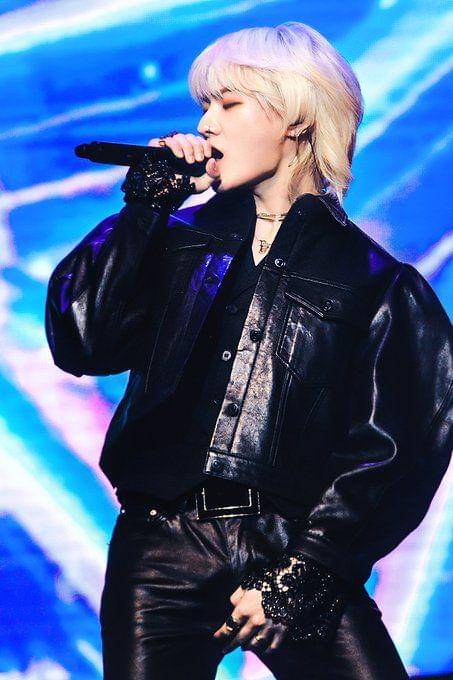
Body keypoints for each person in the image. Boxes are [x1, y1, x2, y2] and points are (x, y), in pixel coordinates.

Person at [45, 21, 453, 680]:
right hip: (160, 546)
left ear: (295, 117)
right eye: (204, 105)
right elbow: (82, 339)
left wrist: (304, 576)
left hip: (293, 549)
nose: (205, 124)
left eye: (228, 104)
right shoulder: (171, 238)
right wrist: (146, 209)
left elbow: (396, 450)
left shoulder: (378, 284)